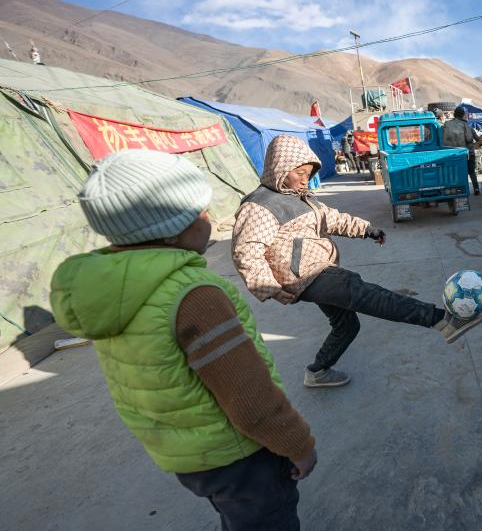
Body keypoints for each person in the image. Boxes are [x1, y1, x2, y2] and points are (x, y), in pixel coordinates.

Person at [50, 149, 316, 531]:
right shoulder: (194, 296)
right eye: (201, 211)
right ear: (176, 228)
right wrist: (297, 444)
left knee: (235, 514)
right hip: (240, 455)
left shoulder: (110, 288)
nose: (208, 218)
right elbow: (248, 395)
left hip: (186, 455)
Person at [232, 135, 482, 388]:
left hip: (319, 268)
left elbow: (333, 219)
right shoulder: (259, 206)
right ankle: (443, 321)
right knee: (362, 291)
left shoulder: (300, 197)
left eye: (308, 173)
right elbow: (246, 251)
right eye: (299, 173)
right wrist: (270, 288)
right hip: (305, 276)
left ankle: (317, 371)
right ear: (280, 168)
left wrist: (367, 230)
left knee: (346, 325)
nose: (304, 179)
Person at [442, 105, 481, 195]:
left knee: (455, 172)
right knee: (471, 172)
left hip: (451, 154)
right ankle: (476, 189)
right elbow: (469, 139)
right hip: (467, 154)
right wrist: (478, 138)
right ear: (463, 115)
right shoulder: (467, 126)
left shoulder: (447, 125)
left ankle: (455, 190)